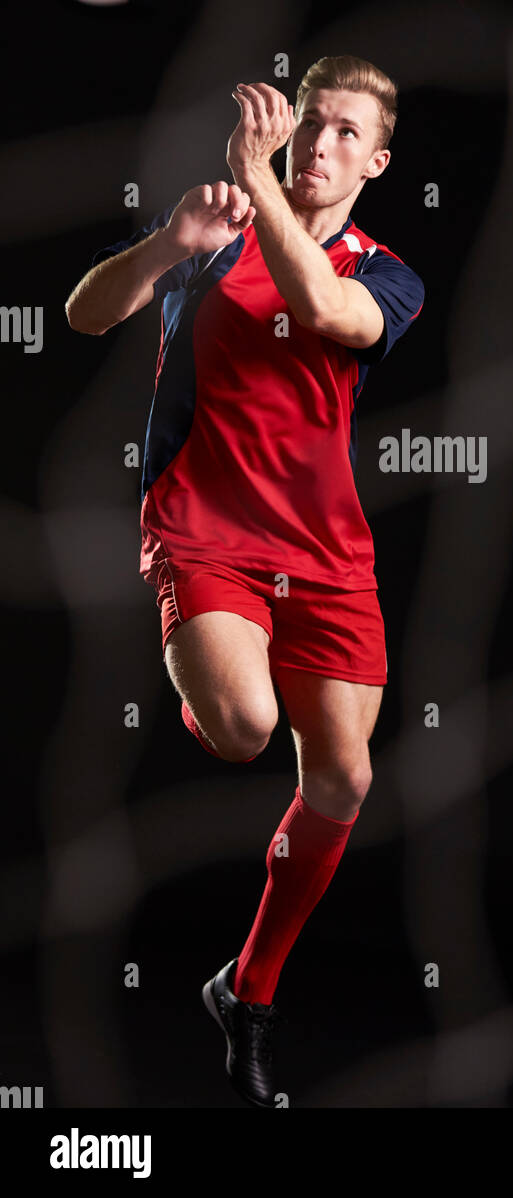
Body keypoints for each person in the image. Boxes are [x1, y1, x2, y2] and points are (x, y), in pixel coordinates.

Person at [65, 56, 425, 1107]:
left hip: (326, 557)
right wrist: (169, 242)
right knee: (241, 727)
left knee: (345, 783)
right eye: (310, 124)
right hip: (204, 533)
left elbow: (328, 316)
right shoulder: (211, 243)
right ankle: (211, 670)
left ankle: (246, 990)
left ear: (377, 158)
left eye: (346, 133)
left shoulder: (383, 272)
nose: (320, 146)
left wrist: (253, 182)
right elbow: (87, 313)